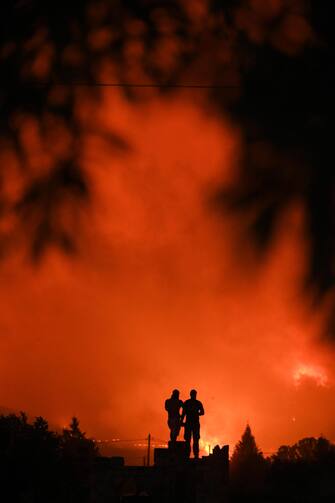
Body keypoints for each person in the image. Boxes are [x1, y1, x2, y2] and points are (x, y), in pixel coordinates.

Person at [181, 389, 204, 459]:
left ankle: (194, 455)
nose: (194, 395)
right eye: (193, 394)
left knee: (194, 440)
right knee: (190, 440)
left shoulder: (188, 403)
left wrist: (181, 421)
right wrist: (181, 421)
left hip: (192, 424)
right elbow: (183, 413)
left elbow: (202, 412)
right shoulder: (196, 403)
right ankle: (190, 455)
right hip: (191, 424)